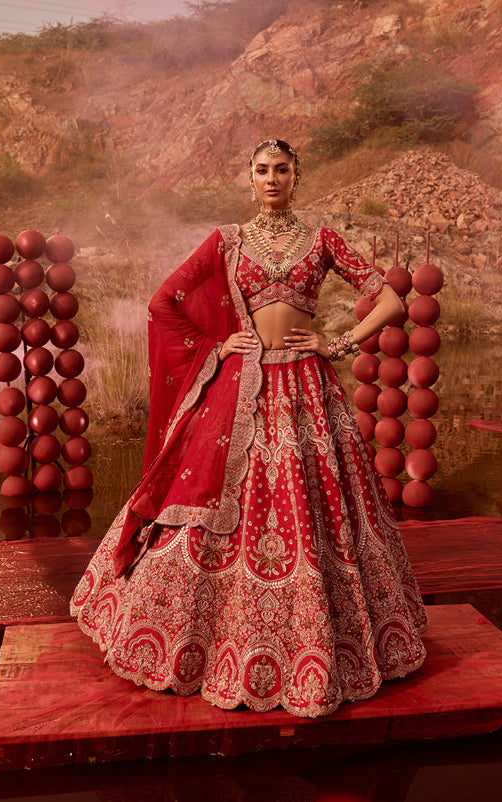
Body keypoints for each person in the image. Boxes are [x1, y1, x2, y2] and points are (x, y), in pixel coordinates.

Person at [71, 139, 427, 718]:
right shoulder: (227, 242)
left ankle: (321, 647)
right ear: (249, 178)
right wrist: (216, 345)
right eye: (261, 170)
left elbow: (389, 298)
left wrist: (335, 342)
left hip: (308, 389)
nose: (271, 178)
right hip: (243, 389)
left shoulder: (322, 238)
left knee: (318, 510)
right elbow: (166, 304)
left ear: (297, 175)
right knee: (218, 503)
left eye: (281, 169)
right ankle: (204, 644)